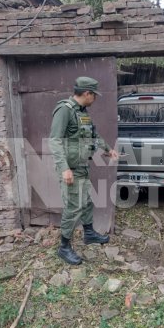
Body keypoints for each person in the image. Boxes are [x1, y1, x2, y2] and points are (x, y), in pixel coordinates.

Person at [48, 77, 119, 265]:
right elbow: (54, 140)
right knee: (73, 208)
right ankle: (64, 247)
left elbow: (94, 136)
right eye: (94, 95)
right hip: (70, 169)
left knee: (87, 201)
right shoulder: (65, 110)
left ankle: (89, 234)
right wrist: (64, 168)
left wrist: (108, 149)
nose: (95, 98)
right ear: (87, 93)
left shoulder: (83, 112)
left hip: (82, 167)